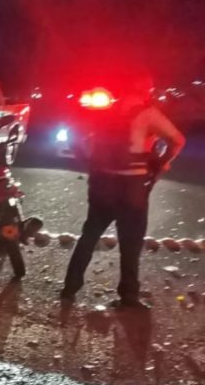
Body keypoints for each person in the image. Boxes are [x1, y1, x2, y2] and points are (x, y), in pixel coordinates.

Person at [61, 74, 185, 309]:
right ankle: (128, 296)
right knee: (131, 242)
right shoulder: (148, 114)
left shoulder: (105, 110)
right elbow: (178, 140)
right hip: (132, 188)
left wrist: (87, 161)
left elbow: (73, 133)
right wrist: (162, 164)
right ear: (146, 90)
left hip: (102, 184)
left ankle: (70, 287)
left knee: (89, 235)